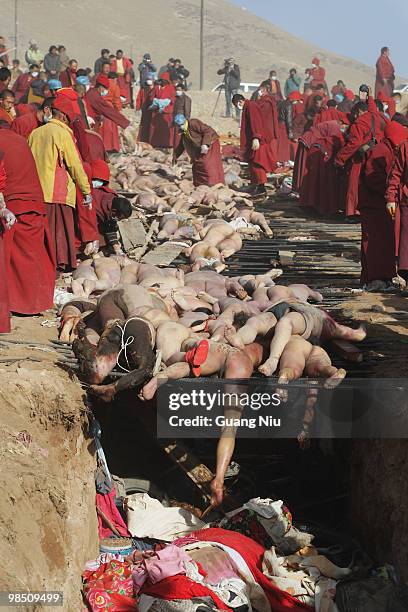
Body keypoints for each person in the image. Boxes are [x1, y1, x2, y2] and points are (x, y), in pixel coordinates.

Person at [28, 97, 92, 270]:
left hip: (37, 191)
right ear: (64, 117)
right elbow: (74, 164)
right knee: (59, 232)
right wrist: (86, 190)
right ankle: (59, 265)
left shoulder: (35, 133)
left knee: (43, 230)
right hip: (57, 191)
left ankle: (41, 264)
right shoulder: (63, 133)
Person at [0, 123, 55, 315]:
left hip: (12, 204)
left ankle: (15, 303)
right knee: (29, 255)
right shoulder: (20, 140)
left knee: (10, 256)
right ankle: (30, 303)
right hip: (35, 202)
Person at [359, 120, 407, 291]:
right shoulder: (380, 151)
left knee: (385, 242)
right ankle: (374, 277)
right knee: (373, 242)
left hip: (382, 204)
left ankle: (385, 276)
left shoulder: (391, 149)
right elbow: (373, 179)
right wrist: (392, 194)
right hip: (374, 205)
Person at [335, 95, 384, 218]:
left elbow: (354, 144)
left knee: (354, 184)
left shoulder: (360, 122)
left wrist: (340, 159)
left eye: (356, 114)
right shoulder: (379, 118)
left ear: (359, 111)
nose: (355, 117)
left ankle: (353, 212)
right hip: (378, 156)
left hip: (360, 158)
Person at [232, 93, 276, 195]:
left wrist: (256, 137)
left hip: (258, 140)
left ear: (240, 101)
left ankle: (261, 187)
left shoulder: (251, 106)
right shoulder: (248, 106)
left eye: (237, 104)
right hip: (253, 139)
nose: (238, 107)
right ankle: (257, 185)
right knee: (253, 163)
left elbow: (256, 122)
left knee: (257, 162)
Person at [91, 159, 132, 254]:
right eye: (119, 218)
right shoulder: (96, 203)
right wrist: (91, 239)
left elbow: (111, 226)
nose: (118, 220)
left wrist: (117, 248)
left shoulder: (112, 202)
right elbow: (86, 222)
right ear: (113, 211)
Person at [173, 114, 225, 187]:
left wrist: (205, 144)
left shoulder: (193, 123)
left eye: (182, 124)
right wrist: (175, 156)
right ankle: (200, 184)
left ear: (185, 121)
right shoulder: (183, 131)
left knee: (207, 164)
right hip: (199, 148)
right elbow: (181, 145)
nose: (180, 126)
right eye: (178, 125)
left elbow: (208, 130)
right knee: (197, 164)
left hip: (211, 144)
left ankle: (213, 183)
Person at [84, 74, 130, 143]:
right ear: (100, 87)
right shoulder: (95, 96)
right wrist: (125, 122)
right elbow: (108, 110)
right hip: (91, 122)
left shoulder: (91, 92)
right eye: (105, 88)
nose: (105, 91)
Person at [149, 78, 176, 148]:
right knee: (156, 128)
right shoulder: (156, 88)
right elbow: (152, 97)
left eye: (165, 81)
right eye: (162, 81)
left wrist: (166, 103)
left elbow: (173, 98)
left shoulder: (171, 88)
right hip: (157, 111)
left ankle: (168, 144)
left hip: (167, 111)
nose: (163, 82)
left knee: (167, 128)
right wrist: (156, 101)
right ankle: (156, 143)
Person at [135, 72, 155, 143]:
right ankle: (143, 139)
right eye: (148, 79)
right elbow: (139, 99)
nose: (149, 80)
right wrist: (137, 108)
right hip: (145, 109)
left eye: (150, 79)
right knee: (144, 124)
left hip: (153, 110)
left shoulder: (155, 88)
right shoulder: (143, 89)